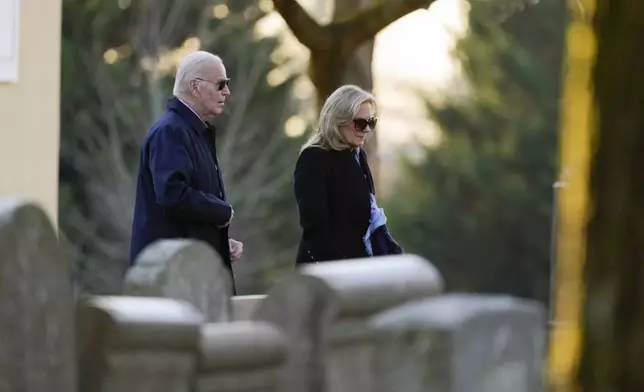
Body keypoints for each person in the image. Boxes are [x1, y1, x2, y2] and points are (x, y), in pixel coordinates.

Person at [130, 51, 243, 291]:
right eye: (221, 84)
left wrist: (220, 241)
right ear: (195, 86)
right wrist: (222, 212)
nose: (227, 92)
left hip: (190, 273)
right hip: (174, 279)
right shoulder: (171, 131)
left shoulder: (192, 131)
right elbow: (173, 194)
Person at [293, 84, 403, 264]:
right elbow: (315, 230)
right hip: (329, 272)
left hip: (358, 268)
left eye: (371, 122)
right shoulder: (313, 158)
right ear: (338, 120)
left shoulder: (358, 156)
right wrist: (342, 271)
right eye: (360, 123)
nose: (367, 130)